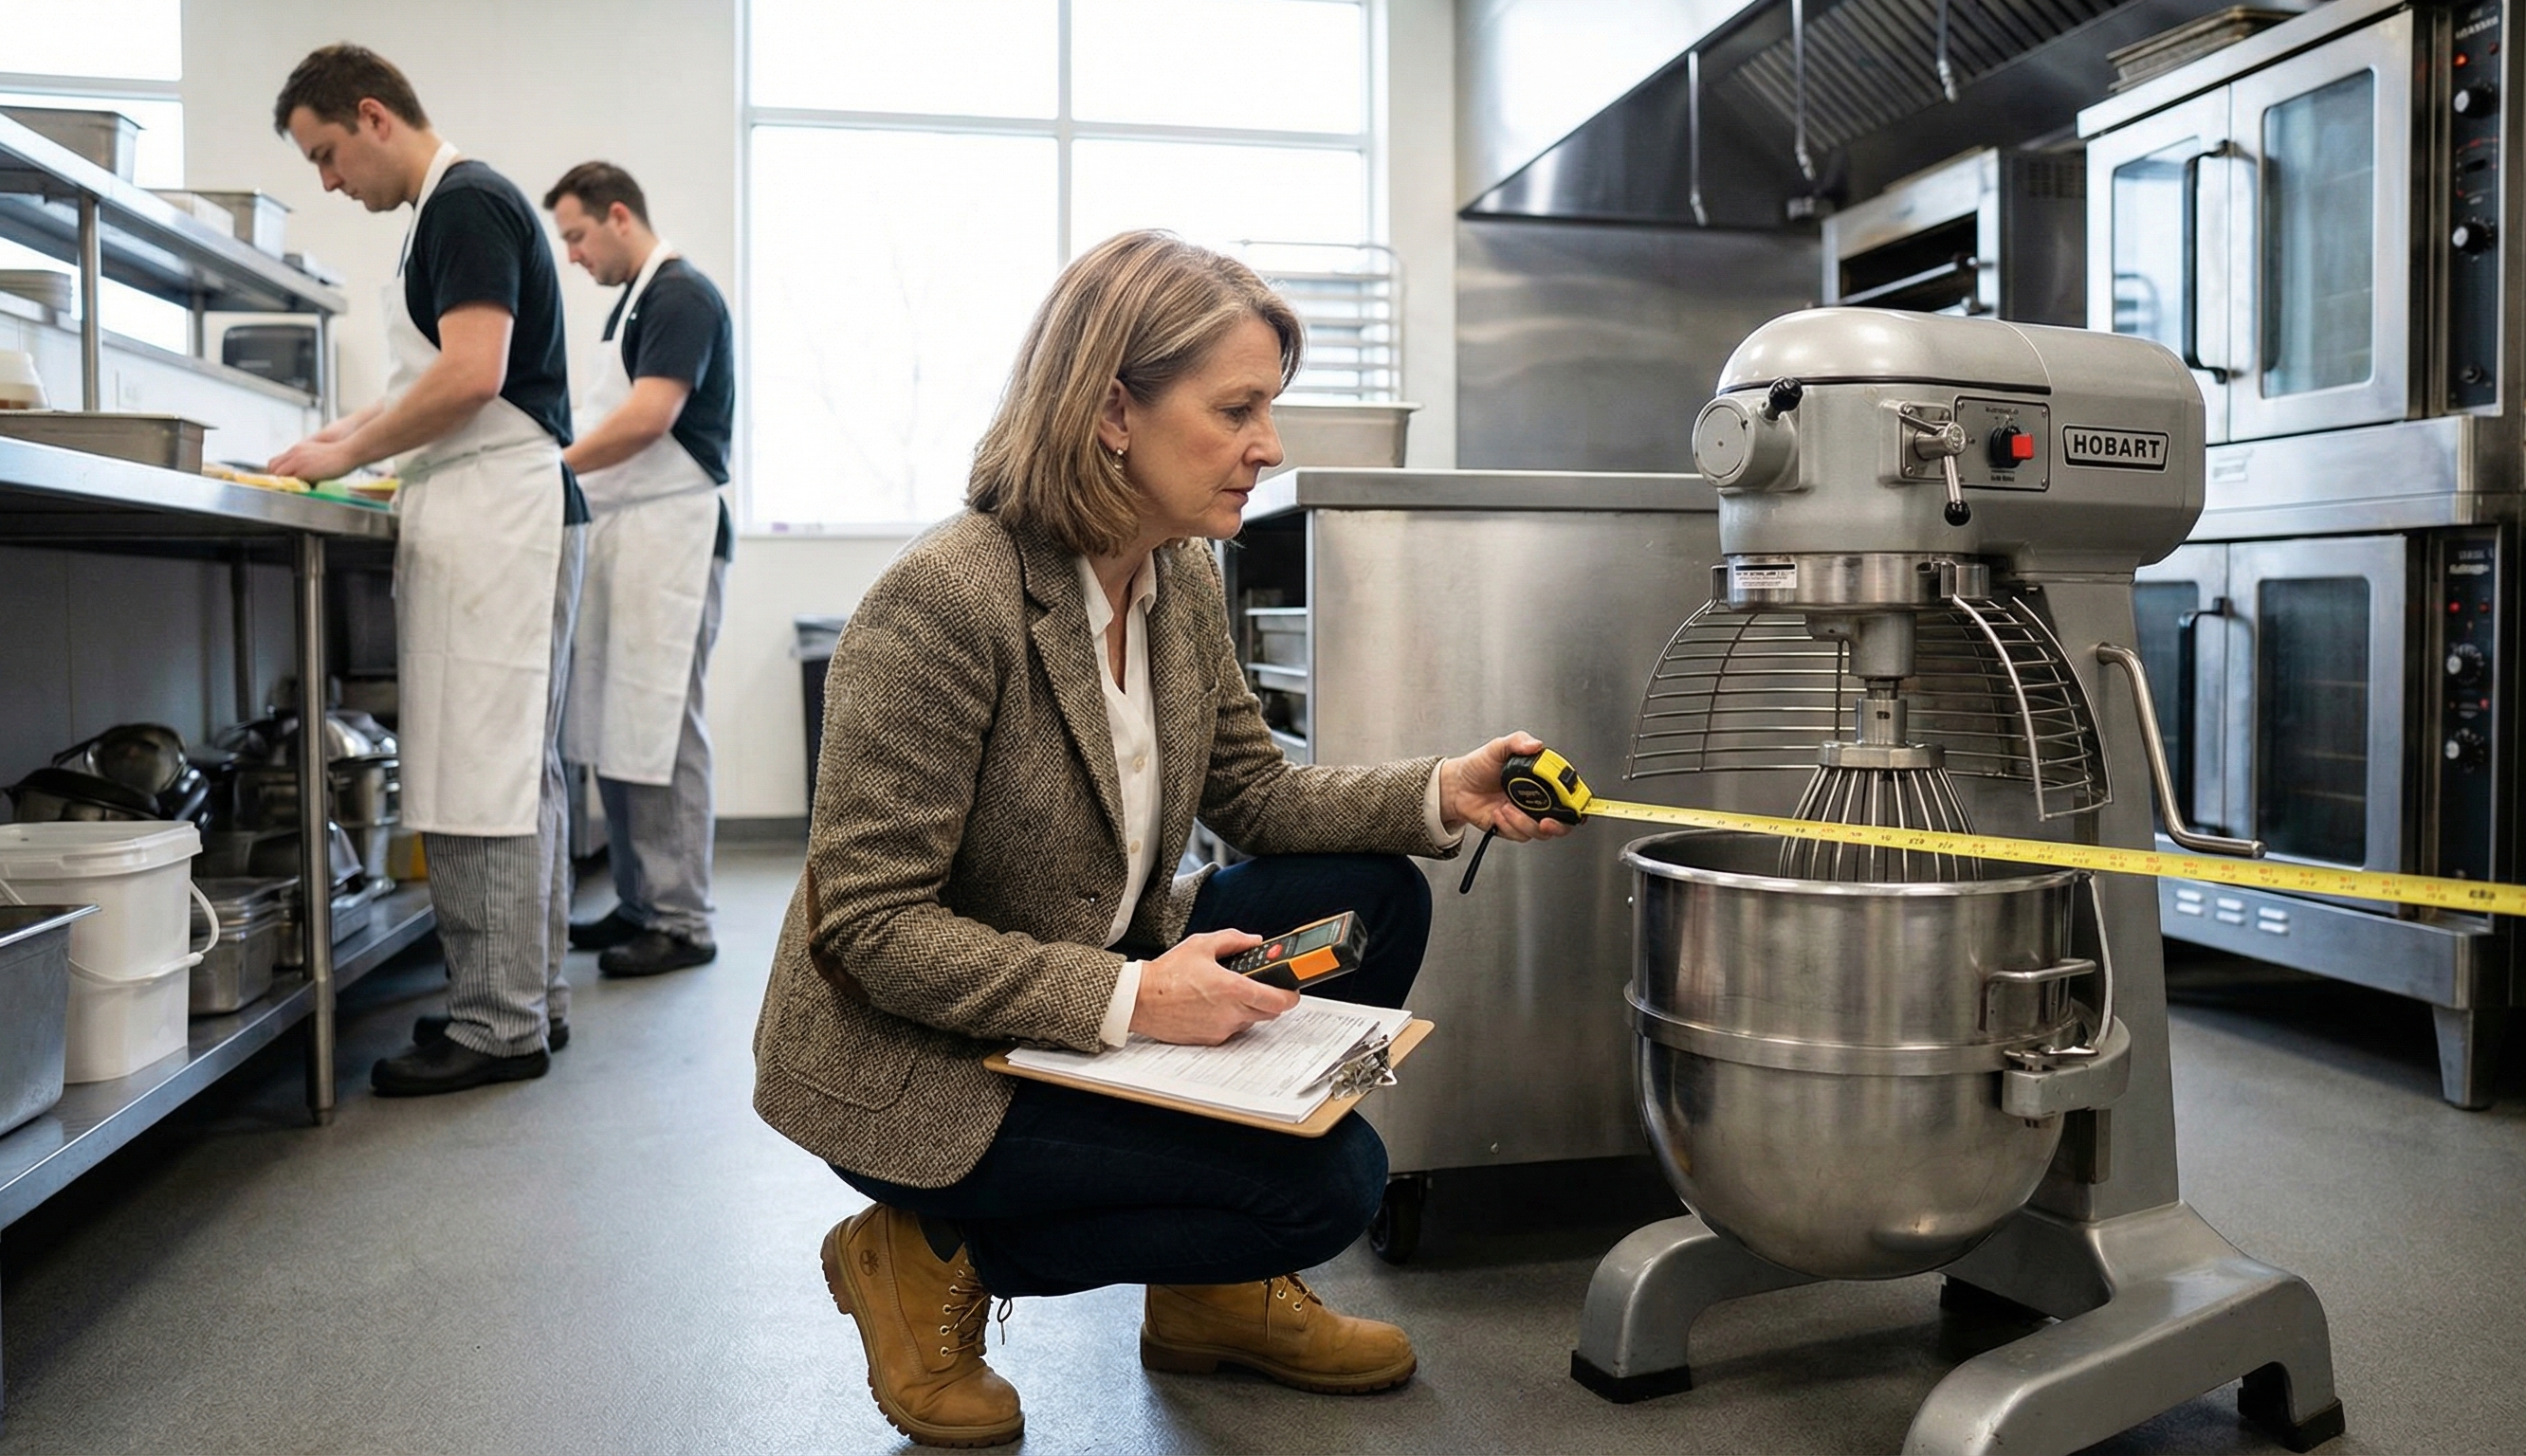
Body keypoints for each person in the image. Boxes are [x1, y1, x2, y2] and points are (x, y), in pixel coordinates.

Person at [752, 230, 1572, 1447]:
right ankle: (922, 1249)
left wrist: (1442, 791)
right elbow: (871, 931)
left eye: (1269, 408)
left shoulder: (1176, 575)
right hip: (929, 1056)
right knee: (1328, 1187)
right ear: (1109, 411)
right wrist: (1133, 998)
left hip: (1093, 982)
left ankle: (1205, 1300)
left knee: (1374, 895)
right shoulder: (944, 602)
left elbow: (1254, 794)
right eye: (1236, 408)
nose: (1270, 446)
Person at [269, 45, 585, 1095]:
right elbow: (426, 379)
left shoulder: (465, 203)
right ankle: (530, 1002)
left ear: (371, 116)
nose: (326, 181)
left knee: (481, 770)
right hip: (491, 503)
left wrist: (347, 454)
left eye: (325, 156)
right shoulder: (444, 217)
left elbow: (470, 373)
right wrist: (337, 438)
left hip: (501, 508)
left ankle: (498, 1028)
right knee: (509, 769)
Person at [543, 161, 734, 978]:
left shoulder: (679, 295)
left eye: (578, 236)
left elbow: (651, 417)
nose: (575, 257)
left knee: (662, 722)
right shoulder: (631, 305)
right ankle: (638, 899)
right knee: (616, 722)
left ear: (619, 216)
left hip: (677, 534)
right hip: (630, 530)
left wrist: (547, 474)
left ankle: (682, 918)